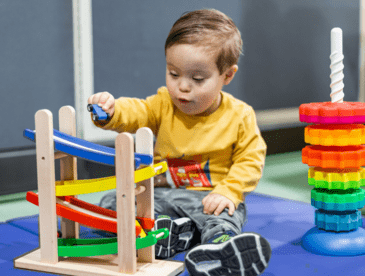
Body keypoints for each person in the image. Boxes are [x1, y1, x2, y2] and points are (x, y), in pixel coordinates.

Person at [88, 9, 271, 276]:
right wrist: (113, 110)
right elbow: (138, 112)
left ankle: (220, 245)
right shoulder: (163, 103)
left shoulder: (240, 115)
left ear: (227, 76)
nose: (182, 87)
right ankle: (165, 231)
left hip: (210, 197)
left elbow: (251, 159)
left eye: (198, 79)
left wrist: (229, 191)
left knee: (223, 217)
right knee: (113, 203)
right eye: (173, 73)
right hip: (159, 194)